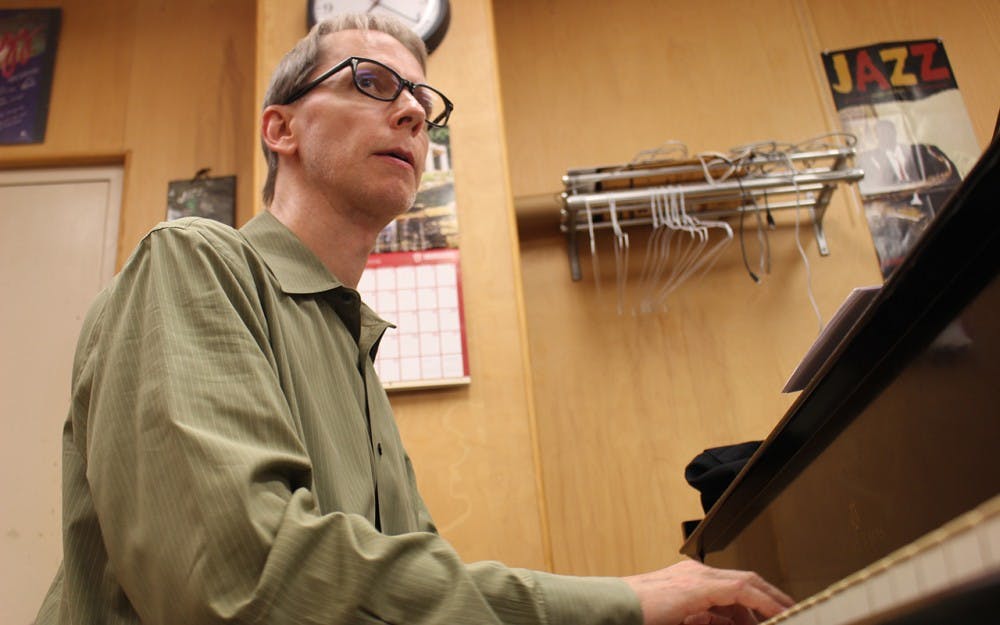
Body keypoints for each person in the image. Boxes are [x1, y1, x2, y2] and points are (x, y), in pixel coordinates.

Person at [35, 13, 793, 625]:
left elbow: (431, 597)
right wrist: (625, 601)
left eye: (423, 105)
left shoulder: (355, 355)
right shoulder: (193, 264)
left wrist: (642, 611)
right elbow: (243, 583)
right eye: (371, 82)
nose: (410, 110)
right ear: (281, 130)